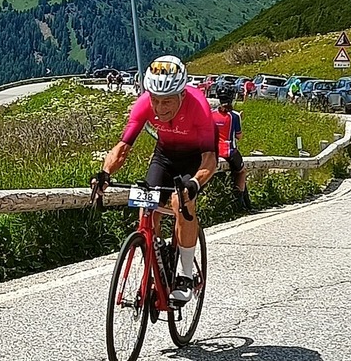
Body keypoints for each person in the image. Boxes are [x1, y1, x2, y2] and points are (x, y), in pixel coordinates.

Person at [92, 55, 218, 303]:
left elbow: (210, 160)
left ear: (182, 94)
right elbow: (123, 147)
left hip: (194, 159)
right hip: (165, 156)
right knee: (145, 208)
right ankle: (156, 258)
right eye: (156, 100)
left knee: (179, 203)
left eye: (168, 101)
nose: (160, 108)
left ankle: (185, 274)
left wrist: (194, 184)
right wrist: (105, 173)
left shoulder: (199, 107)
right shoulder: (143, 104)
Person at [214, 85, 250, 211]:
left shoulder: (212, 114)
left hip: (214, 152)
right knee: (241, 171)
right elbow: (239, 136)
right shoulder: (234, 115)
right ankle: (238, 203)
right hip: (229, 151)